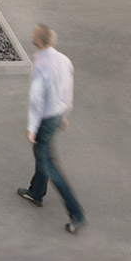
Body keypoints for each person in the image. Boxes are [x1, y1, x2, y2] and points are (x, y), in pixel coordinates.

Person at [18, 24, 86, 233]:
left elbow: (37, 98)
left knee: (48, 162)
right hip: (57, 115)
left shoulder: (40, 63)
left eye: (34, 35)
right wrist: (65, 115)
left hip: (46, 118)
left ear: (39, 41)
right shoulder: (64, 60)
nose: (32, 36)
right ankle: (36, 192)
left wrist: (31, 127)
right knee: (42, 153)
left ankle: (77, 213)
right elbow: (69, 88)